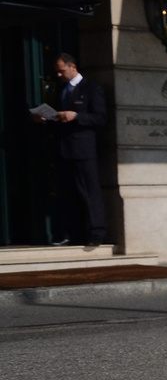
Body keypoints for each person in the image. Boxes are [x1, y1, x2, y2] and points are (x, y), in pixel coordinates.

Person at [30, 53, 108, 245]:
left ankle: (96, 234)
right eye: (56, 71)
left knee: (89, 193)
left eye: (61, 71)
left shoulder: (92, 89)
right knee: (67, 193)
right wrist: (44, 119)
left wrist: (77, 116)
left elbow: (100, 118)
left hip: (84, 151)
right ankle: (70, 234)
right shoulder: (61, 90)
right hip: (63, 150)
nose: (58, 75)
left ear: (72, 67)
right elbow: (58, 118)